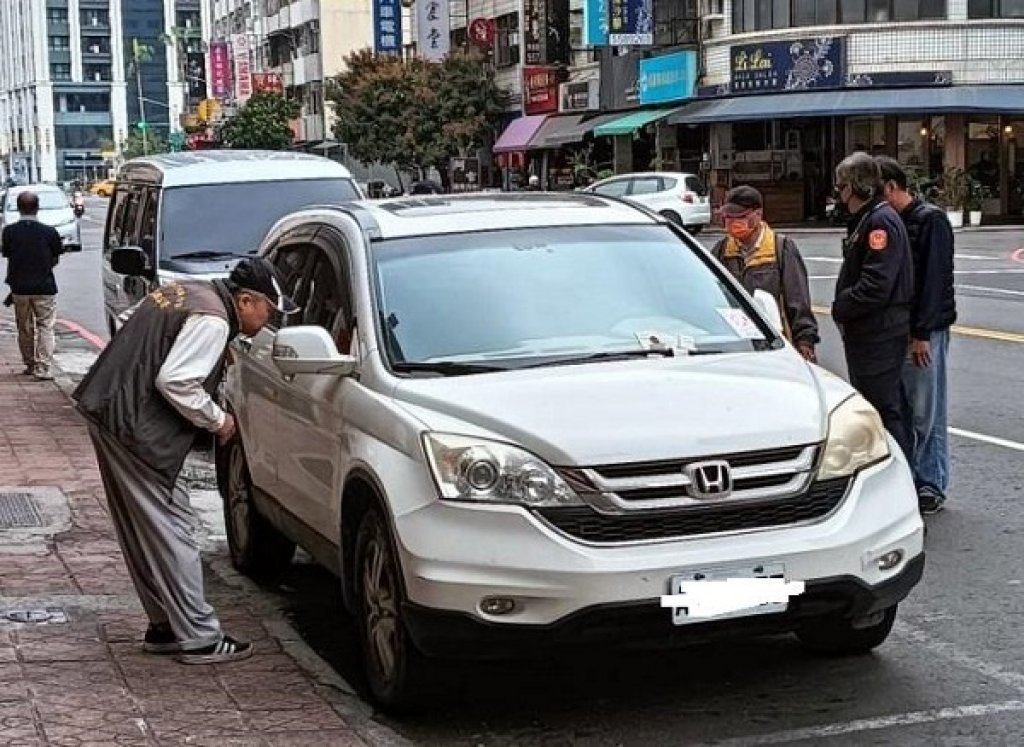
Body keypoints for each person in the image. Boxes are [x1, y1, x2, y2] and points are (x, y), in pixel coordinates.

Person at [72, 258, 298, 664]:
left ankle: (164, 625)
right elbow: (175, 379)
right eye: (269, 312)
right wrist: (218, 420)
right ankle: (199, 635)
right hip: (138, 429)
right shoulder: (212, 320)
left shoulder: (192, 292)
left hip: (109, 409)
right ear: (245, 301)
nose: (268, 323)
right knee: (174, 526)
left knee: (142, 529)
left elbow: (132, 322)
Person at [877, 156, 956, 514]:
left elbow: (935, 283)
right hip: (895, 330)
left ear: (892, 187)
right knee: (901, 410)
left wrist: (921, 332)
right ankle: (908, 478)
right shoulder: (886, 222)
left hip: (924, 331)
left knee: (927, 411)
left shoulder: (930, 220)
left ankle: (931, 482)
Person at [831, 152, 915, 462]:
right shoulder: (871, 218)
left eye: (840, 188)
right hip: (870, 330)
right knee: (880, 406)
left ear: (853, 188)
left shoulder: (879, 221)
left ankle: (898, 474)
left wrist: (843, 306)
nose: (838, 195)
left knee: (883, 409)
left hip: (878, 332)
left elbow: (877, 284)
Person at [711, 185, 819, 362]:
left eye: (740, 216)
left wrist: (805, 342)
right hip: (735, 348)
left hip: (776, 347)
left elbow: (798, 301)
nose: (733, 222)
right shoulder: (722, 251)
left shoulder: (780, 249)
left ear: (758, 214)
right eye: (728, 217)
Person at [0, 191, 63, 380]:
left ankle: (29, 363)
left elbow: (7, 253)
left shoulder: (9, 232)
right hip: (44, 286)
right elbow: (56, 257)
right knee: (45, 326)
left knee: (24, 327)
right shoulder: (50, 232)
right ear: (38, 207)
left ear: (19, 208)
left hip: (19, 288)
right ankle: (43, 367)